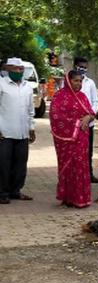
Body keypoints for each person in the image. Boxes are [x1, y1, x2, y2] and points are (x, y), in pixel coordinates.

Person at [50, 70, 95, 208]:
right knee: (68, 167)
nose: (78, 83)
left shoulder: (82, 96)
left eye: (80, 81)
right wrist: (76, 123)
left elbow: (91, 113)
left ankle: (81, 198)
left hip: (82, 138)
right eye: (76, 81)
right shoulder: (59, 96)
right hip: (66, 140)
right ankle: (68, 197)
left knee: (81, 166)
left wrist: (88, 117)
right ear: (69, 81)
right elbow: (56, 117)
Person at [0, 57, 36, 204]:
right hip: (4, 131)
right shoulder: (1, 84)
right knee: (3, 163)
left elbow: (30, 109)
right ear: (8, 69)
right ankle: (3, 192)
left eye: (21, 69)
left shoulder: (27, 86)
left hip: (22, 131)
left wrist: (31, 128)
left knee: (21, 163)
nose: (19, 71)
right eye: (15, 68)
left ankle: (16, 190)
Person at [73, 57, 98, 183]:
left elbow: (95, 101)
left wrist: (90, 115)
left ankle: (88, 173)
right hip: (73, 123)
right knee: (73, 151)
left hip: (88, 122)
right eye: (80, 66)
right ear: (75, 66)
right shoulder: (68, 81)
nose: (82, 69)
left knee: (88, 150)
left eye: (84, 66)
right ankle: (74, 174)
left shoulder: (91, 83)